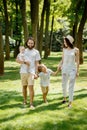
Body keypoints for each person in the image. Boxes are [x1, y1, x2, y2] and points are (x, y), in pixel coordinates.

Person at [16, 37, 41, 109]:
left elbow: (37, 63)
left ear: (34, 44)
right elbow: (17, 60)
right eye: (29, 43)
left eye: (32, 43)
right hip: (23, 71)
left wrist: (37, 73)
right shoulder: (23, 51)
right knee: (24, 87)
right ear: (27, 43)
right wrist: (24, 62)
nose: (30, 44)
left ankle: (31, 103)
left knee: (31, 87)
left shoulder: (36, 52)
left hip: (32, 72)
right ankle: (24, 100)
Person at [58, 35, 79, 108]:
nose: (64, 43)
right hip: (64, 69)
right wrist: (60, 65)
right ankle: (64, 98)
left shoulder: (76, 50)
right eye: (64, 41)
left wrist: (77, 71)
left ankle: (70, 102)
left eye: (65, 41)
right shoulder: (64, 49)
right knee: (64, 84)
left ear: (69, 42)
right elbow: (63, 59)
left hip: (72, 69)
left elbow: (77, 61)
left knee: (71, 86)